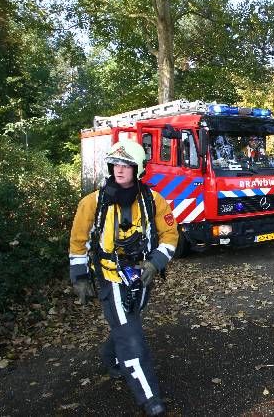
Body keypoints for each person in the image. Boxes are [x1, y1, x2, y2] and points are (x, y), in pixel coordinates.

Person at [69, 139, 178, 416]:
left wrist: (154, 263)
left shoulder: (154, 201)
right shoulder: (91, 203)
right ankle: (149, 398)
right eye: (115, 164)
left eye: (126, 165)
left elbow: (170, 236)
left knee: (128, 323)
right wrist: (80, 277)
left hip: (142, 276)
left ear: (137, 168)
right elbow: (78, 243)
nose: (119, 169)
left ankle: (109, 356)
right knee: (131, 338)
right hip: (110, 277)